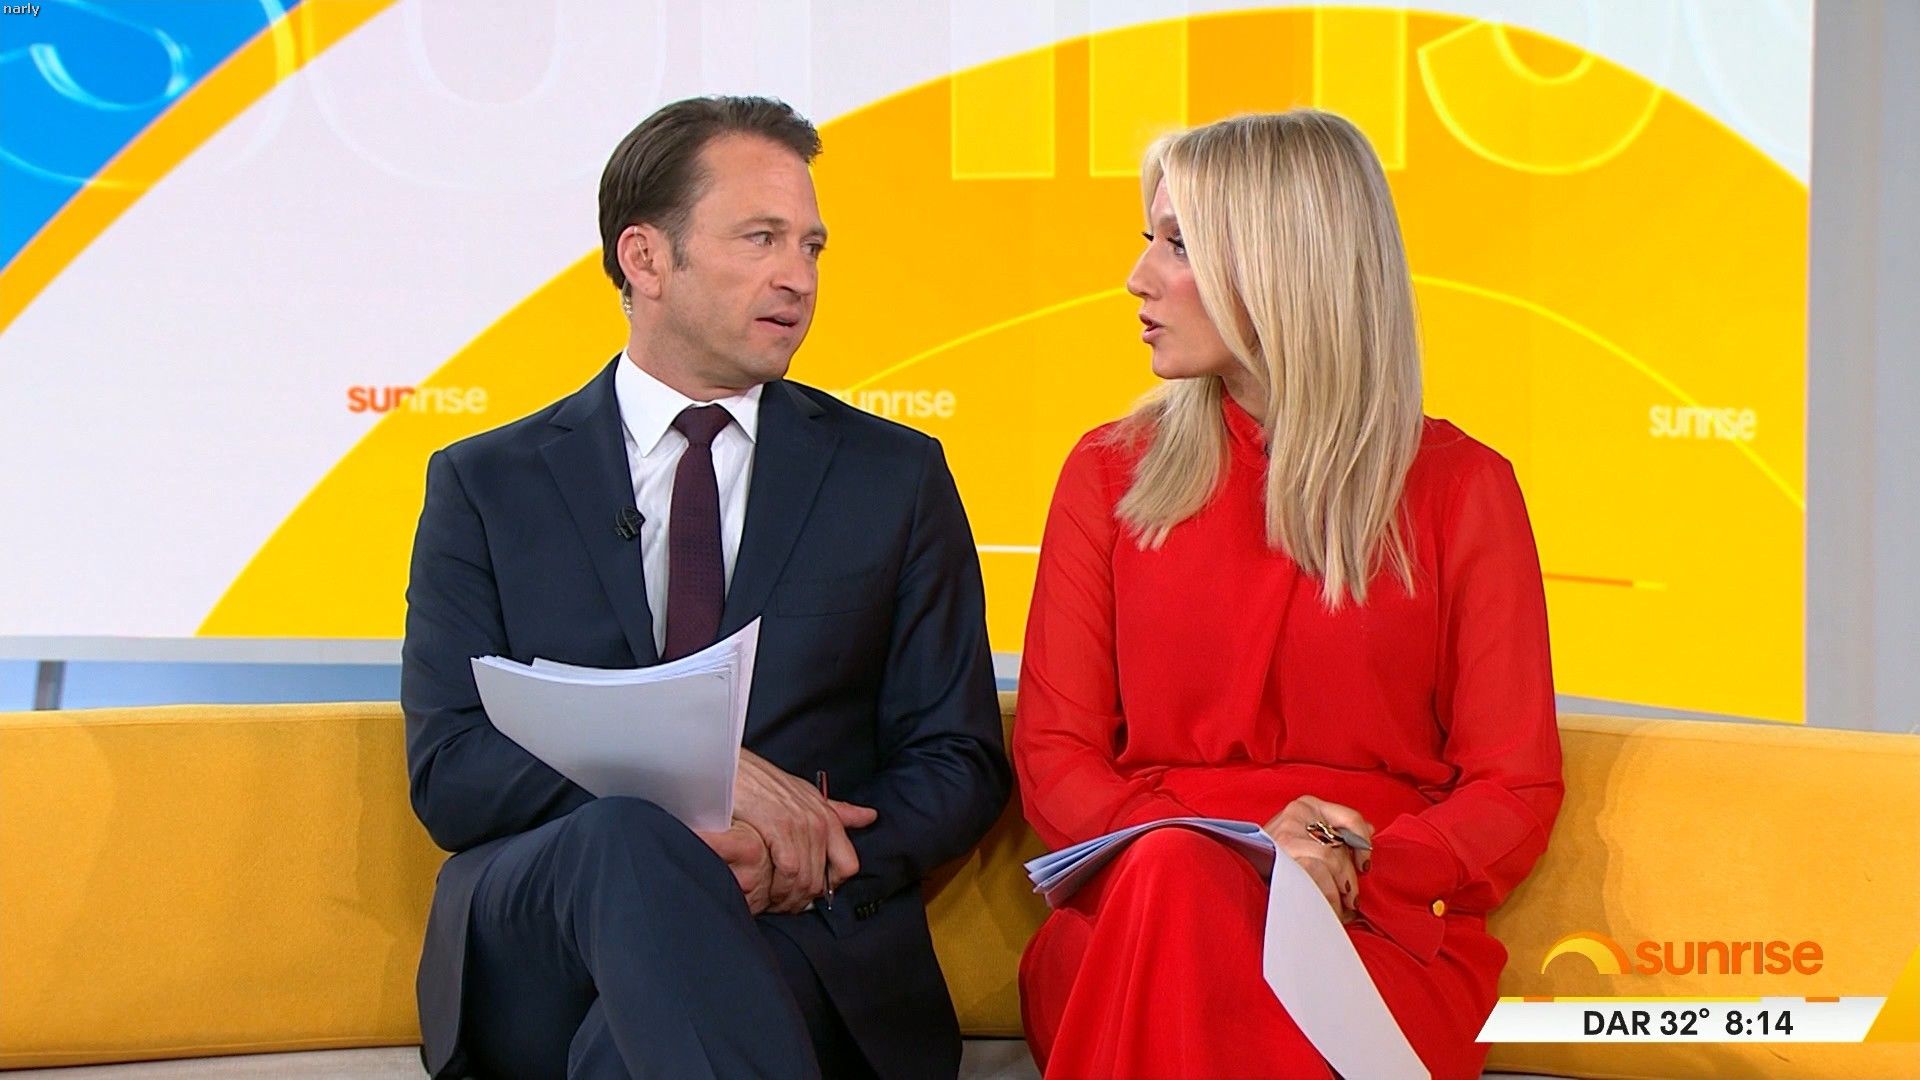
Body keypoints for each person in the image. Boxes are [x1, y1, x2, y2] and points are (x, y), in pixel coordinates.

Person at [402, 95, 1010, 1080]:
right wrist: (703, 787)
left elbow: (958, 759)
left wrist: (793, 854)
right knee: (626, 837)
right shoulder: (487, 485)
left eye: (811, 247)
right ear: (646, 259)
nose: (797, 277)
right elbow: (453, 771)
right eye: (761, 239)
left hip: (795, 929)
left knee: (632, 1044)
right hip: (546, 935)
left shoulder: (891, 478)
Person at [1013, 109, 1565, 1080]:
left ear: (1278, 266)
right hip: (1139, 898)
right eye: (1150, 239)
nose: (1138, 277)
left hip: (1368, 917)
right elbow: (1056, 754)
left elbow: (1512, 784)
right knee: (1173, 879)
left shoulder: (1460, 488)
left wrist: (1359, 864)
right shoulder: (1106, 473)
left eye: (1178, 245)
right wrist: (1210, 849)